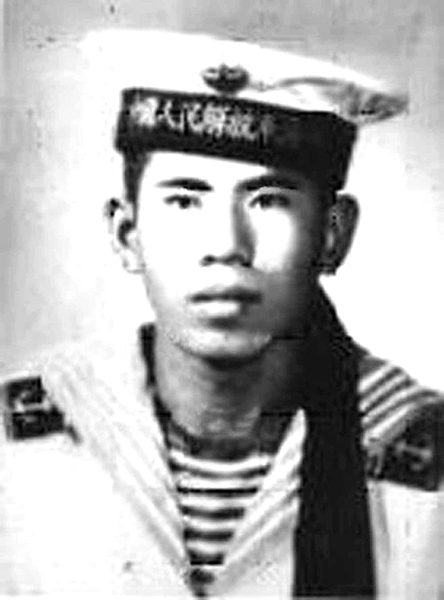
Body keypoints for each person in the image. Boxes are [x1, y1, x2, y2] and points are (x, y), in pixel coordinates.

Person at [1, 30, 443, 598]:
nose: (227, 244)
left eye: (269, 200)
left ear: (333, 235)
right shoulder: (21, 445)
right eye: (185, 199)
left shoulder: (421, 470)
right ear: (127, 233)